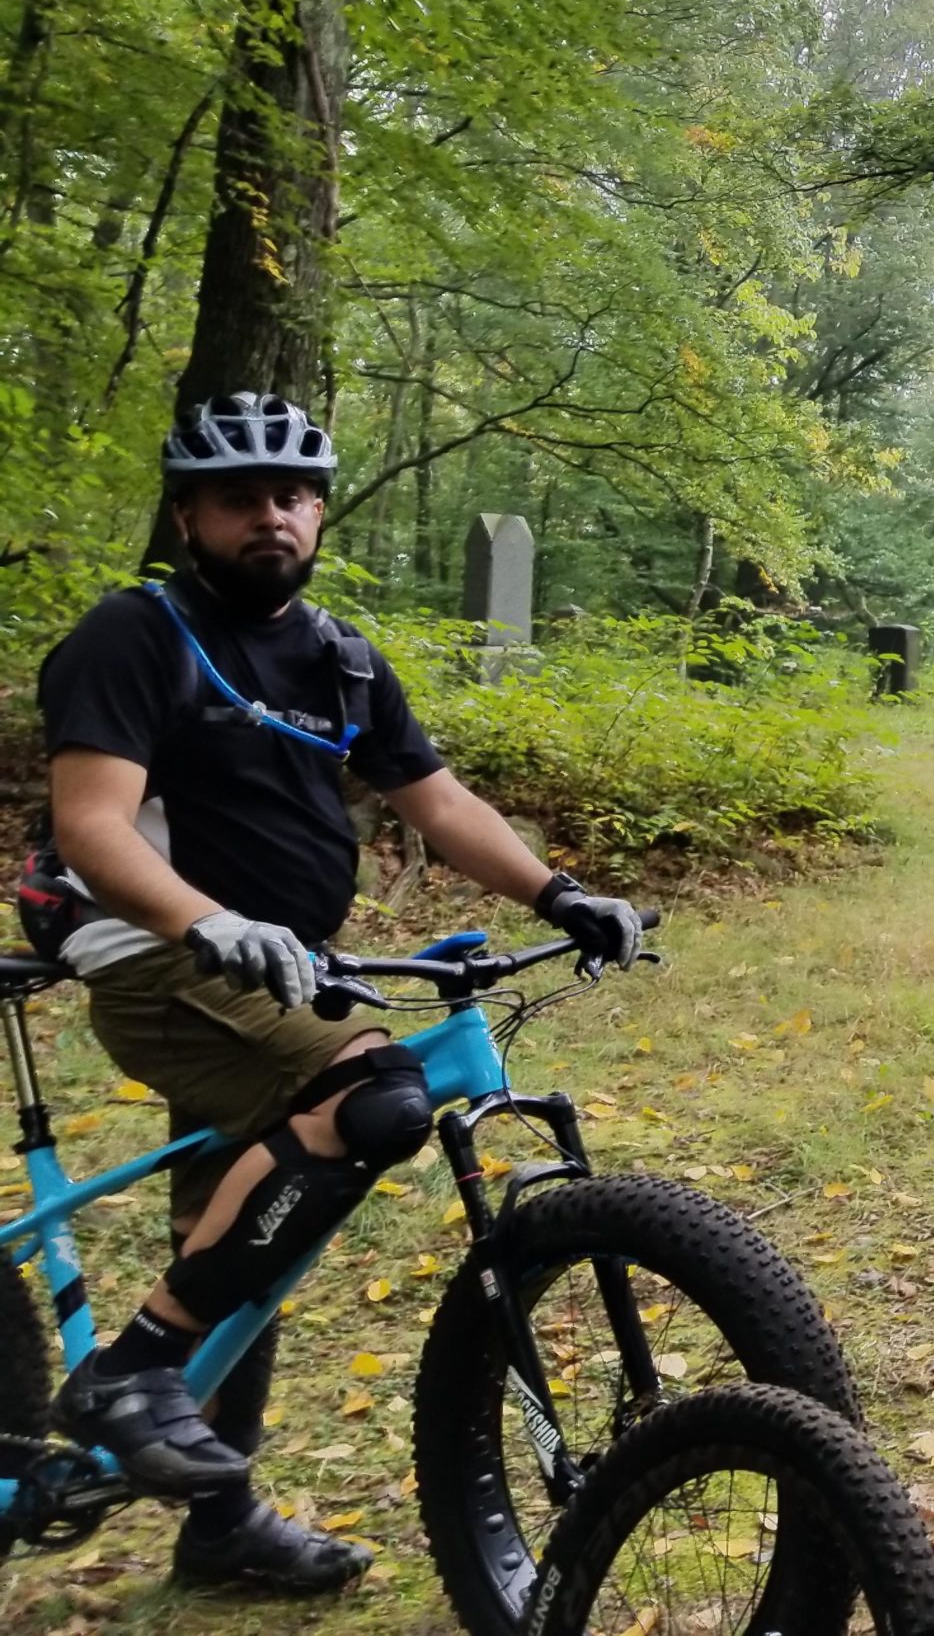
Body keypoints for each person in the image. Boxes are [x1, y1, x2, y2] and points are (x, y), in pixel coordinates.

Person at [32, 394, 642, 1593]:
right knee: (372, 1091)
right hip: (155, 957)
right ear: (188, 515)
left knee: (240, 1241)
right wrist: (209, 921)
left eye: (292, 494)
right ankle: (130, 1370)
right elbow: (93, 827)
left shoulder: (340, 657)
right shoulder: (133, 636)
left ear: (318, 510)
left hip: (279, 965)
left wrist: (559, 893)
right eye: (239, 497)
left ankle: (218, 1526)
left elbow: (440, 804)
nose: (271, 514)